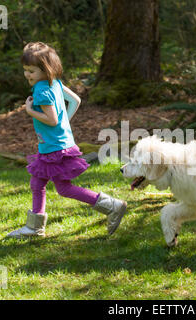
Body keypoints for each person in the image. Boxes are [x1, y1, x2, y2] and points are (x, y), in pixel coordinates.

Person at [7, 42, 127, 238]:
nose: (27, 75)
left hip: (54, 148)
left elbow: (52, 120)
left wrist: (30, 111)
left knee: (62, 188)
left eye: (32, 71)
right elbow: (76, 101)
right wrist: (65, 124)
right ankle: (35, 227)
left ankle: (113, 206)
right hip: (57, 145)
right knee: (39, 183)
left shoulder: (40, 90)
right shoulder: (54, 84)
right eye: (25, 70)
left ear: (45, 69)